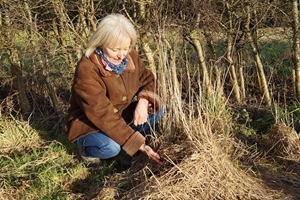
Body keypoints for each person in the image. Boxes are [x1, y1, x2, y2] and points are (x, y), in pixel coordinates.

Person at [64, 13, 164, 169]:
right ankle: (88, 152)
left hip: (118, 117)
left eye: (125, 48)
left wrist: (143, 102)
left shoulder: (131, 57)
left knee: (156, 109)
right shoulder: (87, 70)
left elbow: (149, 81)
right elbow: (101, 114)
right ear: (102, 43)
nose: (121, 54)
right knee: (110, 147)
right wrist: (140, 145)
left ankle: (125, 142)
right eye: (115, 49)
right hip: (89, 123)